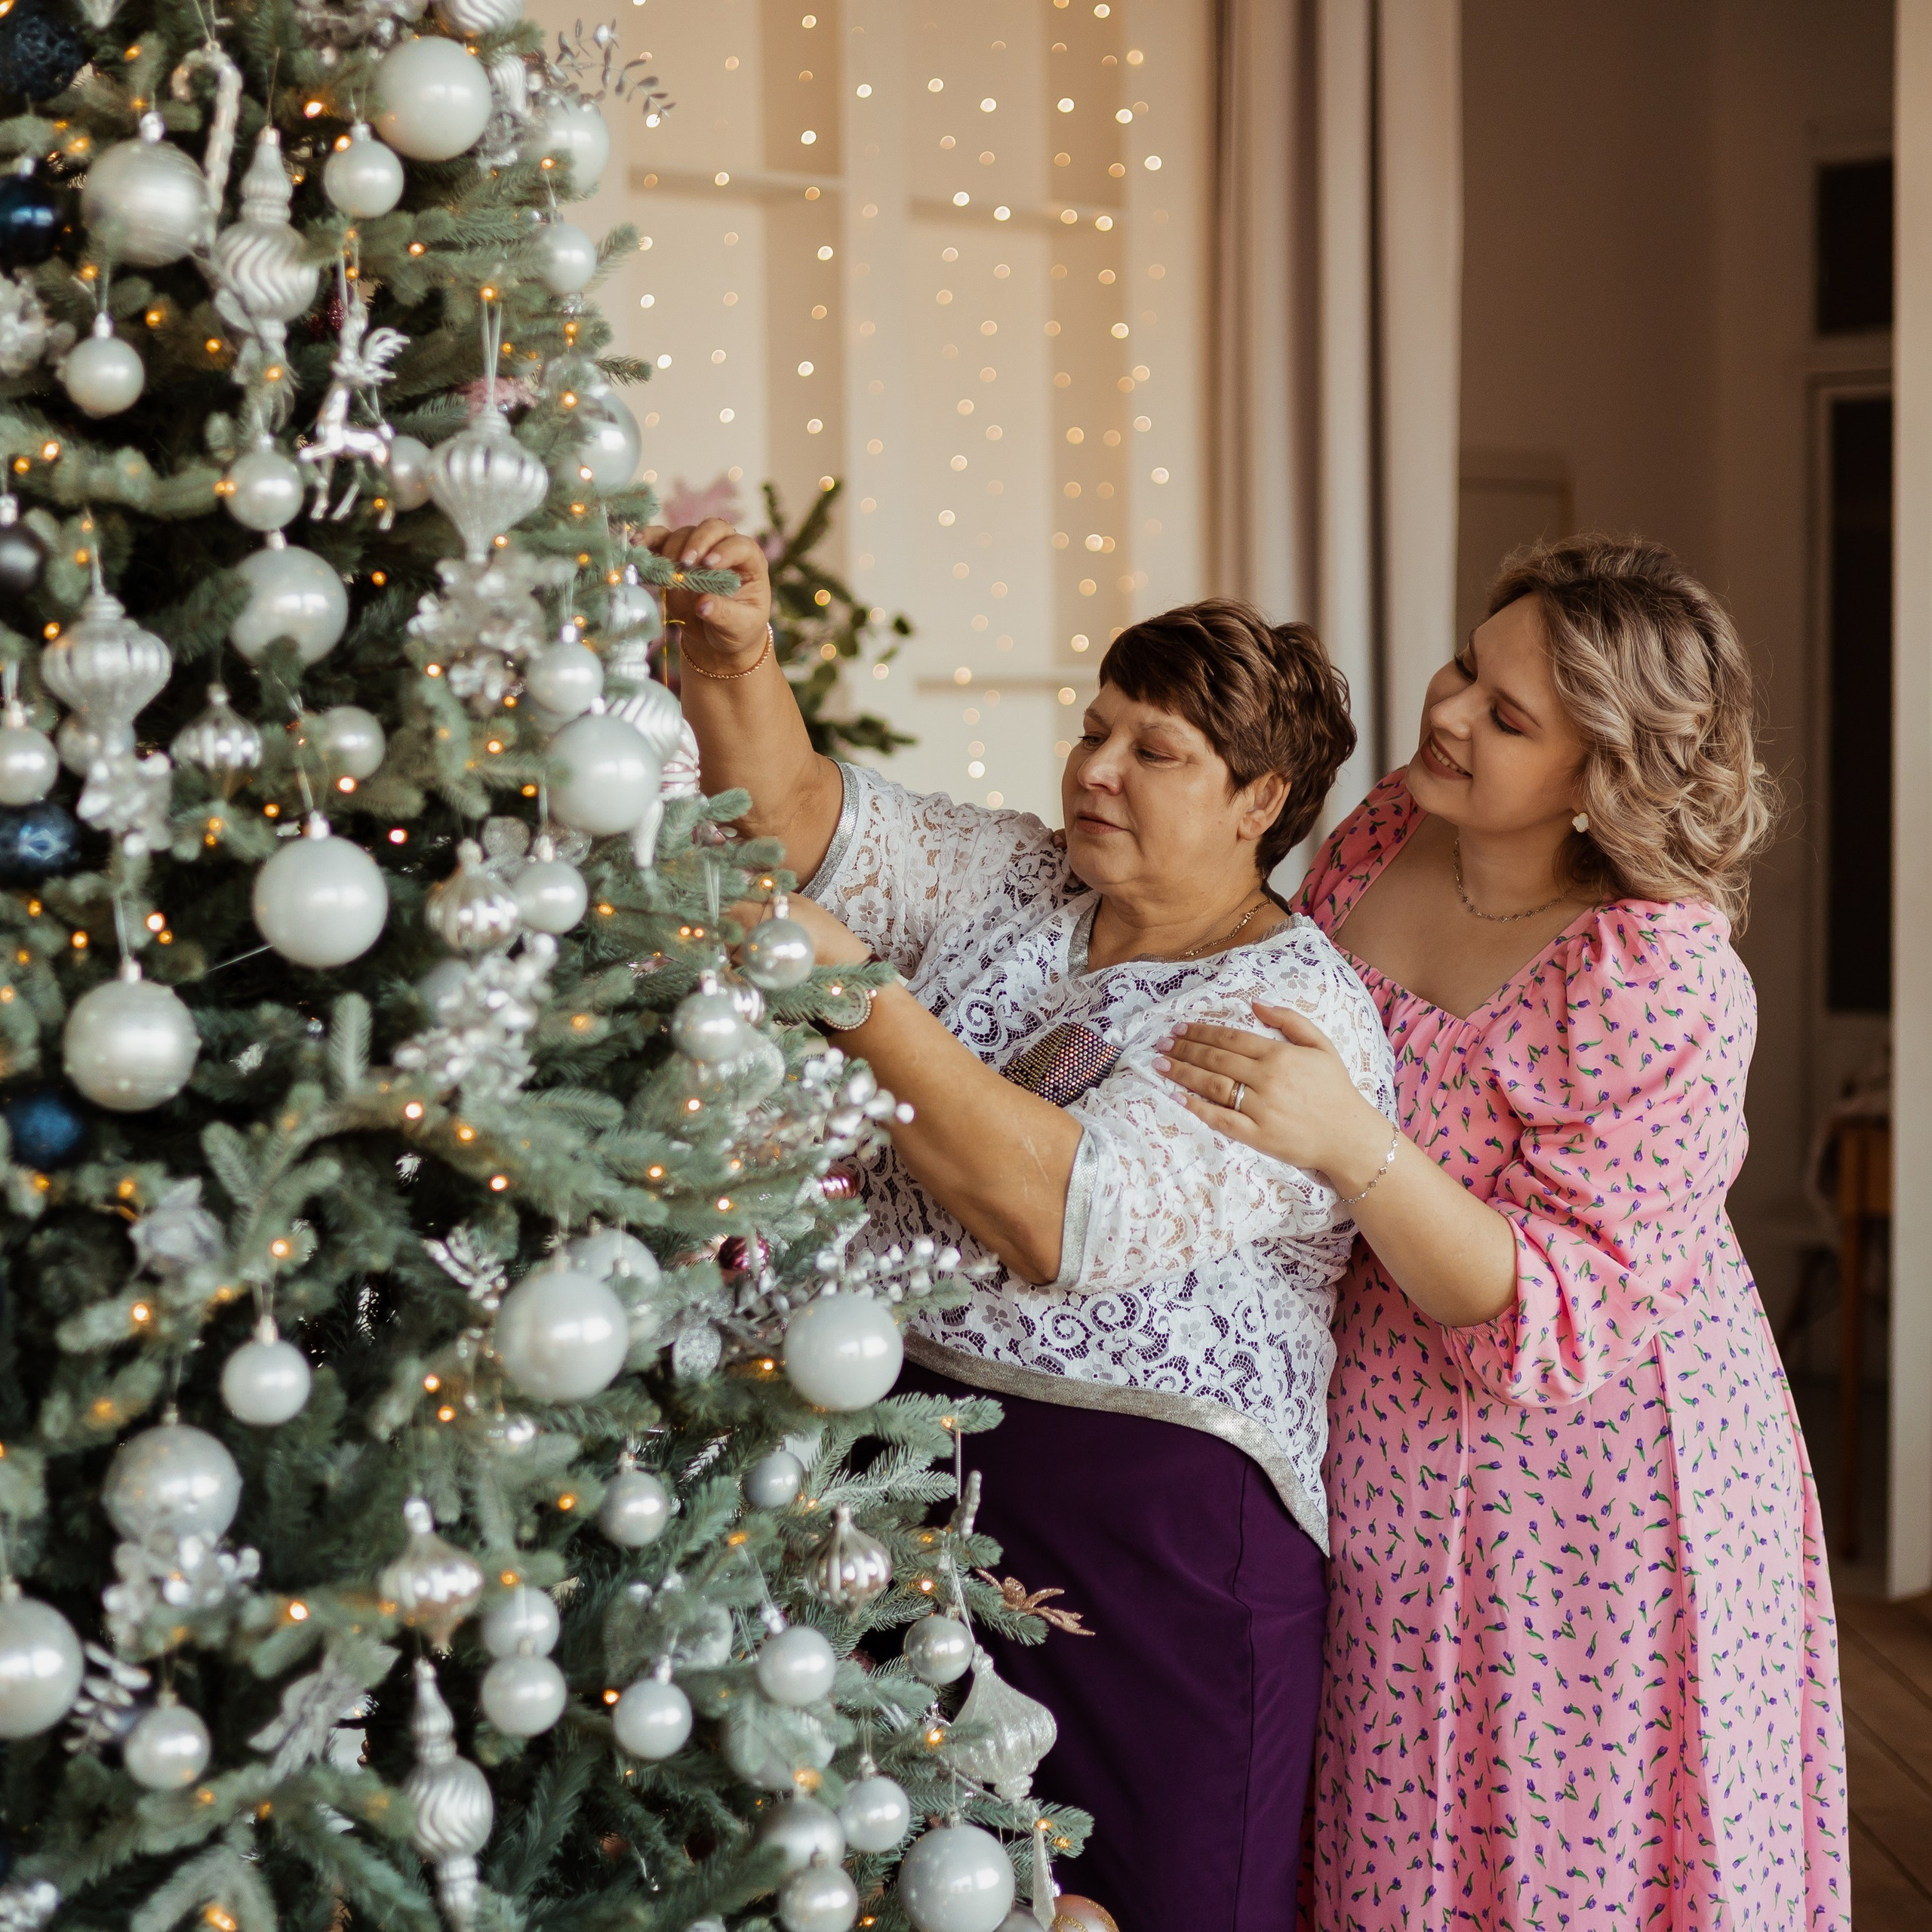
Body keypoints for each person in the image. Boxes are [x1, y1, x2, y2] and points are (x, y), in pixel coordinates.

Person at [646, 515, 1396, 1931]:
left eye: (1156, 751)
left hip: (1162, 1548)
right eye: (1096, 728)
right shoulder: (1021, 878)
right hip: (919, 1492)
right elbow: (799, 817)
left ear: (1261, 800)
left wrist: (865, 995)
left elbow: (1054, 1216)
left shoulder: (1294, 1018)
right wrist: (734, 656)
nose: (1098, 770)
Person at [1158, 535, 1849, 1930]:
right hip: (1372, 1436)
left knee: (1553, 1853)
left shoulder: (1660, 978)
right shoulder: (1388, 833)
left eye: (1509, 715)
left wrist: (1356, 1142)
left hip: (1594, 1491)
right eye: (1472, 666)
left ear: (1606, 776)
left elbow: (1558, 1318)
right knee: (1397, 1834)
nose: (1452, 711)